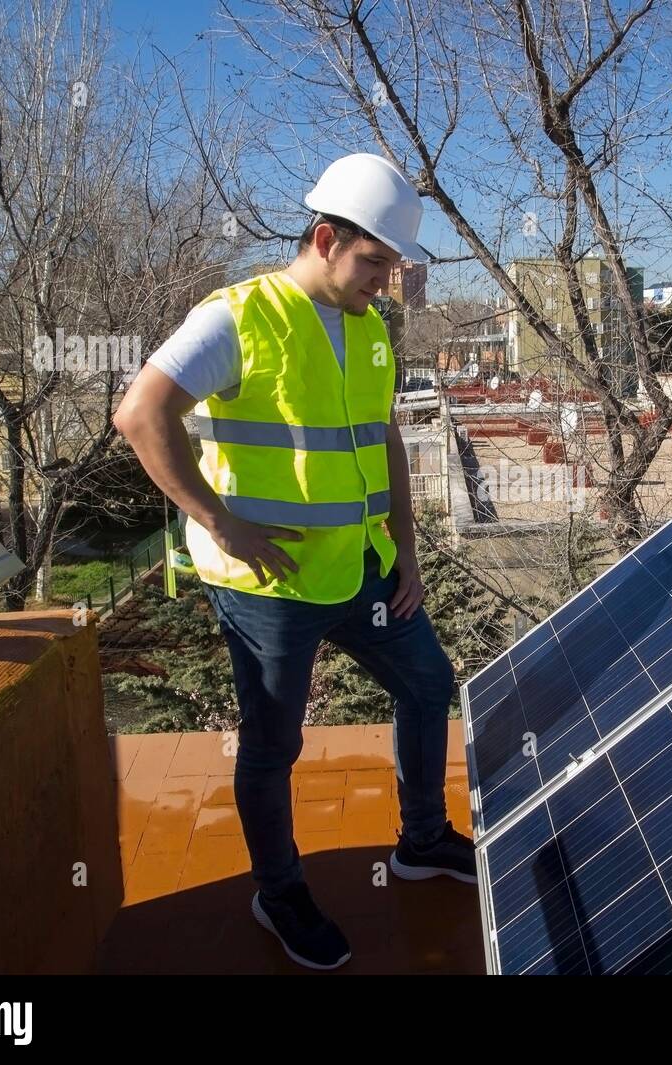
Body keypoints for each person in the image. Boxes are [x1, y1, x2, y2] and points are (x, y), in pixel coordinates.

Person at [114, 153, 475, 971]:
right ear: (324, 238)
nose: (384, 283)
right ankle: (278, 893)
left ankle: (421, 839)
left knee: (427, 682)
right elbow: (139, 414)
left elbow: (380, 438)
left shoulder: (369, 328)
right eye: (374, 262)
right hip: (267, 586)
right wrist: (217, 521)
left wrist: (408, 548)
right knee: (274, 745)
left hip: (361, 569)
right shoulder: (238, 316)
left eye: (393, 266)